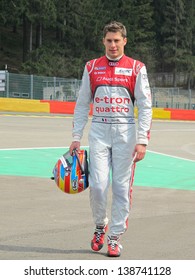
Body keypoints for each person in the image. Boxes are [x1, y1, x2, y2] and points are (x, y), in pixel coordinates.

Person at [69, 21, 152, 257]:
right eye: (109, 40)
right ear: (103, 41)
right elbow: (82, 103)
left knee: (121, 188)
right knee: (97, 185)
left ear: (124, 41)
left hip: (126, 135)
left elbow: (145, 107)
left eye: (117, 40)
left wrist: (142, 140)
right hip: (99, 132)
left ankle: (114, 237)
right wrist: (76, 136)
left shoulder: (137, 68)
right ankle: (100, 225)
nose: (113, 45)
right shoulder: (92, 67)